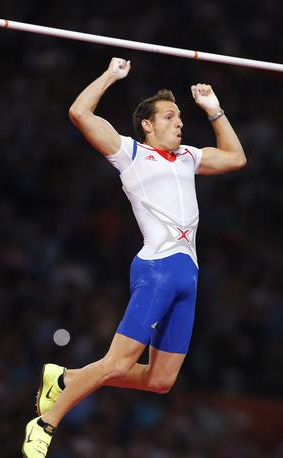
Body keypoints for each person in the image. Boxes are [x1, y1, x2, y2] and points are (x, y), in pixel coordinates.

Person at [22, 57, 246, 457]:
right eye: (170, 116)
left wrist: (215, 111)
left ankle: (65, 376)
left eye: (180, 117)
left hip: (188, 276)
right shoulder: (129, 154)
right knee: (117, 364)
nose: (180, 122)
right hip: (158, 269)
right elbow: (78, 112)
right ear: (148, 124)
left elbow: (235, 157)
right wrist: (110, 75)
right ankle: (45, 422)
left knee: (161, 380)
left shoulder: (189, 157)